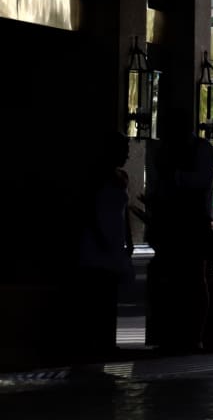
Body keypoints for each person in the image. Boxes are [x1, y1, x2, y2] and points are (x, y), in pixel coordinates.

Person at [146, 107, 213, 352]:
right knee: (171, 279)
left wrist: (173, 175)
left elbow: (202, 181)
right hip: (168, 223)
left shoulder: (201, 149)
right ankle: (169, 334)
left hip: (192, 223)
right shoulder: (162, 150)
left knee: (194, 278)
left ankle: (193, 335)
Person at [75, 130, 135, 359]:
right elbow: (88, 210)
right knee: (99, 293)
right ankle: (97, 342)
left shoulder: (122, 177)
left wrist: (128, 238)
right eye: (124, 150)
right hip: (97, 240)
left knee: (110, 294)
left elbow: (124, 212)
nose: (127, 155)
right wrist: (100, 236)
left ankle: (108, 341)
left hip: (113, 239)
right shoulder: (96, 178)